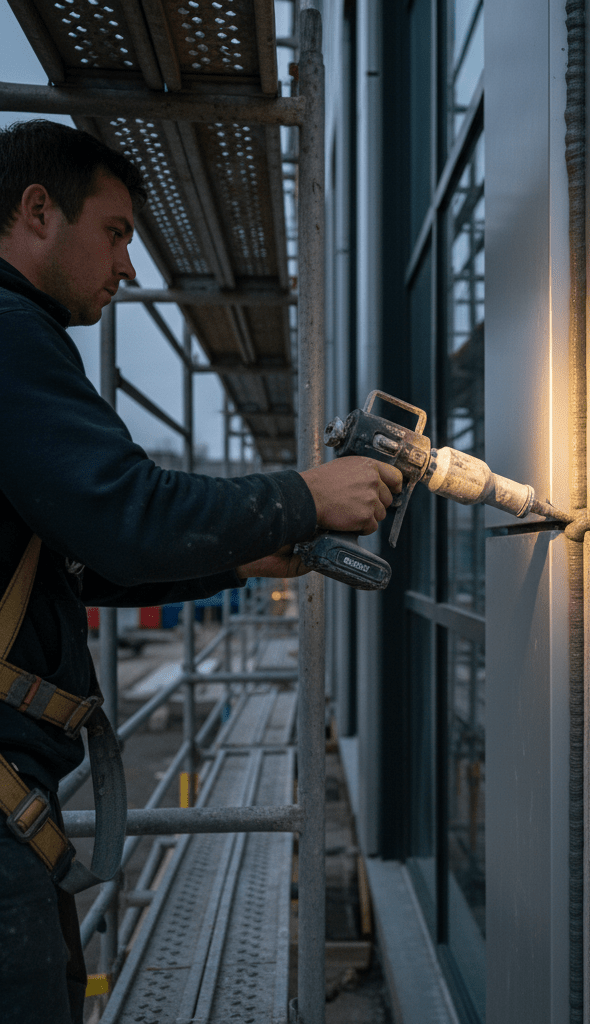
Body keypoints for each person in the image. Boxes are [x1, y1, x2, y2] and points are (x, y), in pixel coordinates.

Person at [0, 119, 402, 1023]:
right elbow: (128, 514)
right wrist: (304, 497)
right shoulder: (10, 336)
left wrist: (246, 551)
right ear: (36, 212)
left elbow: (81, 555)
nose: (130, 267)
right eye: (114, 233)